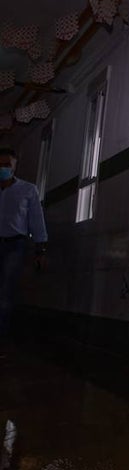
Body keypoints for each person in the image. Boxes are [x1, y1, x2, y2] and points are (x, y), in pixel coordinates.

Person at [0, 146, 48, 343]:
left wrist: (40, 248)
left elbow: (36, 220)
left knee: (5, 289)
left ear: (14, 166)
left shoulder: (28, 190)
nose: (3, 168)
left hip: (14, 245)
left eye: (6, 165)